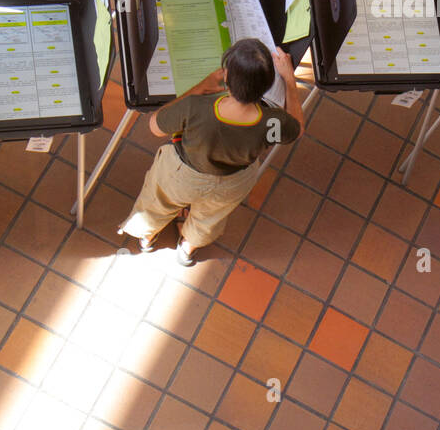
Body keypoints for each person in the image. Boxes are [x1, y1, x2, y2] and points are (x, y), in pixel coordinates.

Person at [117, 38, 303, 265]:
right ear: (266, 86)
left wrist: (199, 88)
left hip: (182, 176)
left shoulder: (196, 107)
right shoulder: (273, 122)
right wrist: (290, 79)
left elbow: (155, 126)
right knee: (209, 218)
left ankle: (147, 238)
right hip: (234, 182)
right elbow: (297, 128)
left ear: (227, 78)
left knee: (158, 202)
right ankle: (188, 248)